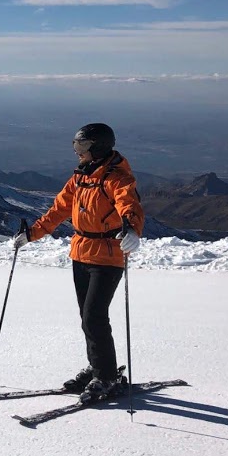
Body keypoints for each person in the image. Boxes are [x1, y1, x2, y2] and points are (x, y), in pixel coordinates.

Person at [12, 123, 143, 401]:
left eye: (82, 147)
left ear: (98, 148)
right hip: (81, 252)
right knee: (87, 318)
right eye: (76, 146)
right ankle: (98, 366)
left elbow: (128, 205)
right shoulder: (81, 177)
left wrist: (132, 229)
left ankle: (106, 376)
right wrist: (31, 234)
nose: (77, 153)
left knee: (95, 316)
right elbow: (59, 209)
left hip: (108, 255)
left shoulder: (116, 178)